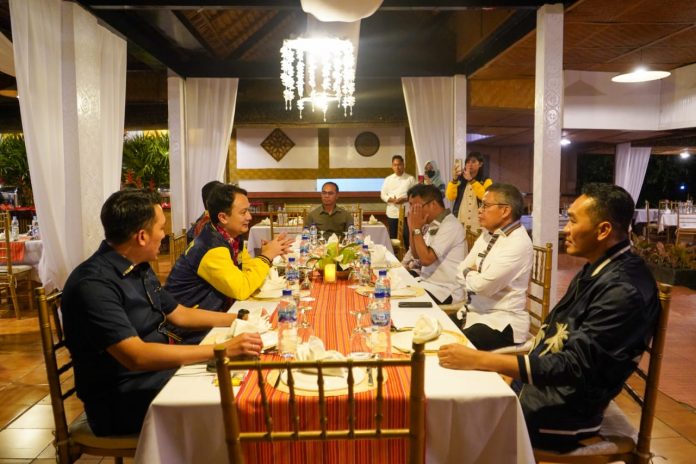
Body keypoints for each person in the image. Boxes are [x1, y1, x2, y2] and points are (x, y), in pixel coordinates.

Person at [438, 183, 660, 452]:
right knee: (457, 389)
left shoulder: (624, 289)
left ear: (603, 230)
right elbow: (555, 334)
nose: (565, 229)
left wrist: (486, 360)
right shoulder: (600, 266)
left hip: (566, 409)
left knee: (457, 417)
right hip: (546, 385)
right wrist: (510, 369)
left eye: (573, 221)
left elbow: (575, 367)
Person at [62, 189, 263, 437]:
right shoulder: (94, 284)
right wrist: (221, 350)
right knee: (232, 399)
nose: (165, 235)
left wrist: (241, 319)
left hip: (154, 375)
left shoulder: (138, 266)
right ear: (143, 236)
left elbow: (179, 314)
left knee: (240, 375)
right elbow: (137, 356)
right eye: (161, 228)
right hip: (121, 399)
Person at [166, 184, 292, 332]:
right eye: (243, 212)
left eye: (249, 211)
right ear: (223, 217)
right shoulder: (211, 248)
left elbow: (247, 271)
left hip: (217, 313)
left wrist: (265, 255)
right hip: (190, 329)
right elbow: (242, 289)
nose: (249, 217)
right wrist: (266, 256)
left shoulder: (231, 238)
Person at [451, 183, 533, 350]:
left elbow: (483, 287)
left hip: (501, 322)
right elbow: (459, 270)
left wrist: (469, 274)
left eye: (485, 205)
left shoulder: (517, 243)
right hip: (474, 312)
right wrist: (470, 273)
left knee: (452, 348)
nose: (480, 210)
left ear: (505, 211)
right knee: (436, 328)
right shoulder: (487, 234)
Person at [402, 184, 466, 305]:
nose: (412, 212)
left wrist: (416, 229)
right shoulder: (433, 224)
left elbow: (426, 259)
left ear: (433, 204)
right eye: (410, 206)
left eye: (416, 207)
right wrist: (412, 229)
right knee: (395, 283)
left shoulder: (450, 225)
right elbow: (416, 255)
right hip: (428, 282)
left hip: (444, 290)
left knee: (402, 302)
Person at [445, 152, 493, 232]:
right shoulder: (460, 179)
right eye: (468, 162)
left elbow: (486, 198)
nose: (470, 164)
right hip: (460, 220)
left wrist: (471, 180)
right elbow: (450, 197)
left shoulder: (486, 180)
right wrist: (454, 179)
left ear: (480, 164)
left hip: (478, 222)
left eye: (473, 162)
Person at [380, 155, 417, 250]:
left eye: (399, 165)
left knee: (407, 237)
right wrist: (391, 200)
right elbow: (383, 194)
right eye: (395, 165)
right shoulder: (388, 179)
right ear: (392, 166)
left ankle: (409, 258)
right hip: (392, 212)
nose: (397, 167)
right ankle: (394, 258)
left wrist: (405, 199)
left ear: (403, 165)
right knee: (393, 238)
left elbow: (415, 195)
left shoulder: (410, 179)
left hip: (406, 213)